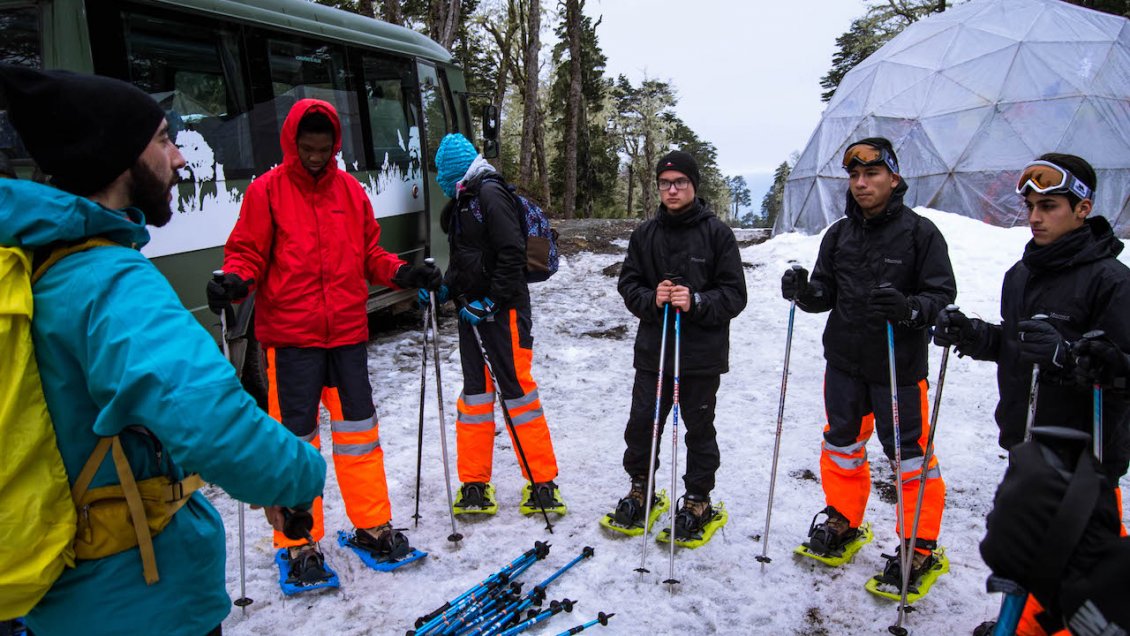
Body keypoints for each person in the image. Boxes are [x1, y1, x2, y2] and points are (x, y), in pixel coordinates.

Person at [0, 65, 325, 636]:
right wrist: (297, 477)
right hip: (142, 602)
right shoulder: (106, 278)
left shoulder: (40, 264)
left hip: (72, 597)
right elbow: (208, 415)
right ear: (116, 155)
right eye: (161, 140)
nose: (178, 158)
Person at [206, 98, 440, 584]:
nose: (315, 156)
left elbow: (371, 254)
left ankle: (371, 523)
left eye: (324, 148)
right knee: (295, 442)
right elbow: (247, 253)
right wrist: (234, 281)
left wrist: (403, 272)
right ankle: (298, 540)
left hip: (348, 335)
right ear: (292, 144)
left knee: (360, 435)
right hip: (291, 339)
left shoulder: (350, 192)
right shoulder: (267, 192)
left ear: (335, 146)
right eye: (307, 148)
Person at [934, 153, 1130, 635]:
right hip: (1028, 442)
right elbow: (1016, 347)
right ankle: (1021, 625)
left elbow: (1122, 367)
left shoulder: (1112, 281)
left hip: (1086, 458)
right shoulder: (1021, 275)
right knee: (1028, 549)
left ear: (1082, 209)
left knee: (1085, 569)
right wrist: (973, 334)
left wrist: (1070, 356)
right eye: (1030, 206)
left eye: (1050, 206)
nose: (1036, 217)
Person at [781, 137, 956, 586]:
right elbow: (825, 294)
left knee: (910, 457)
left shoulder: (921, 234)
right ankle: (843, 517)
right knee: (841, 445)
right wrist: (804, 290)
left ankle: (919, 543)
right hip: (843, 362)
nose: (861, 183)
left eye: (871, 174)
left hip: (897, 366)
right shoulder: (839, 233)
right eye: (855, 176)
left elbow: (941, 297)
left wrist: (910, 308)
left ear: (894, 179)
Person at [611, 150, 747, 541]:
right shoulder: (645, 234)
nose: (672, 190)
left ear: (693, 186)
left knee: (698, 428)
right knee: (641, 426)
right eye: (665, 183)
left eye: (680, 182)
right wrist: (652, 298)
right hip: (654, 353)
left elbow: (735, 295)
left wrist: (698, 301)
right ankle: (641, 487)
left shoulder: (717, 234)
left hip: (700, 357)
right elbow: (628, 284)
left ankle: (698, 498)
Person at [430, 133, 563, 516]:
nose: (441, 179)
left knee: (519, 395)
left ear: (458, 168)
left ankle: (542, 483)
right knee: (475, 397)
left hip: (503, 314)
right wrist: (444, 290)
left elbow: (511, 253)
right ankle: (474, 484)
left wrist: (493, 299)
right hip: (471, 313)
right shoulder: (463, 201)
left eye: (443, 172)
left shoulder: (489, 195)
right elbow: (463, 261)